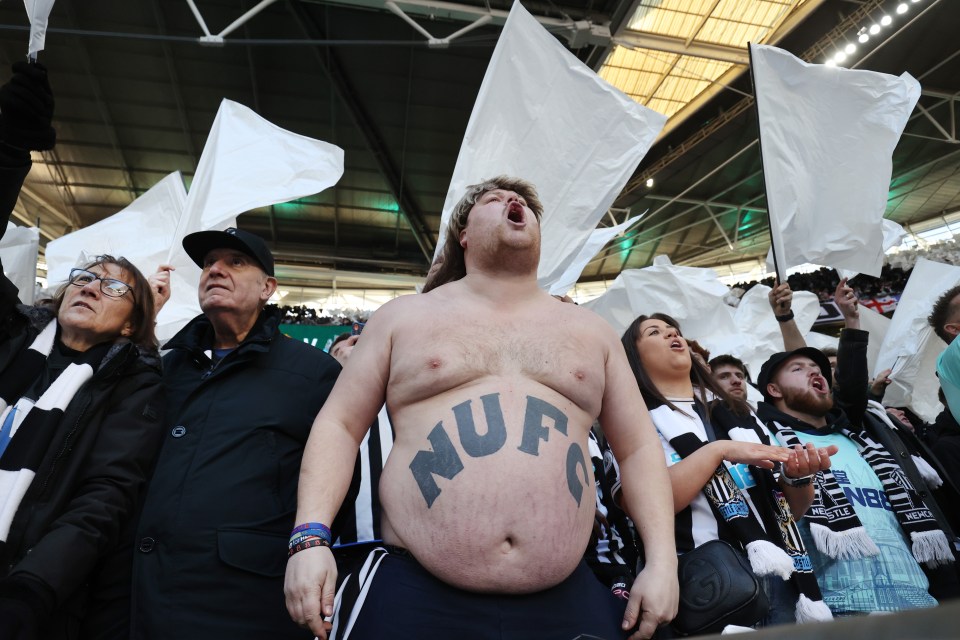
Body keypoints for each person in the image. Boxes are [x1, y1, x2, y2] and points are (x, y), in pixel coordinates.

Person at [285, 176, 678, 640]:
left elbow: (635, 448)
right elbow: (340, 425)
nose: (514, 203)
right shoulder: (403, 316)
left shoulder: (592, 331)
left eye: (524, 203)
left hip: (565, 593)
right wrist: (309, 539)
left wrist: (662, 561)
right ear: (463, 235)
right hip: (416, 589)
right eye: (494, 200)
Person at [0, 60, 166, 640]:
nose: (93, 285)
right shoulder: (10, 337)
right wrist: (11, 147)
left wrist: (32, 588)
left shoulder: (133, 385)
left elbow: (104, 498)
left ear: (131, 326)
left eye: (116, 285)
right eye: (85, 275)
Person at [131, 227, 341, 640]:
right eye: (209, 263)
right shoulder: (163, 366)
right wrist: (141, 323)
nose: (215, 270)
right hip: (139, 593)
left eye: (236, 262)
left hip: (245, 603)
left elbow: (340, 483)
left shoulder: (314, 374)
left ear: (268, 288)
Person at [621, 313, 835, 630]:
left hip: (780, 577)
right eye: (655, 332)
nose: (670, 335)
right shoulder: (631, 419)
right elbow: (645, 505)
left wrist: (799, 476)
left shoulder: (738, 413)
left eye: (674, 330)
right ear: (632, 357)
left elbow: (791, 511)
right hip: (708, 581)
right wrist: (718, 451)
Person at [756, 278, 958, 615]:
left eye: (819, 369)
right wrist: (786, 318)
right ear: (773, 390)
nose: (815, 372)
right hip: (839, 611)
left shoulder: (867, 434)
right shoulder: (769, 444)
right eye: (799, 368)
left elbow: (849, 387)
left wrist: (852, 319)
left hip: (921, 603)